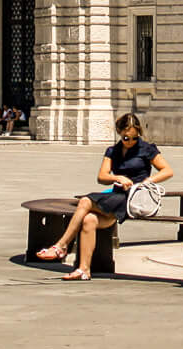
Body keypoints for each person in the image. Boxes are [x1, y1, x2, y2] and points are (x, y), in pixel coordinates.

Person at [34, 113, 173, 281]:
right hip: (116, 197)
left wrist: (146, 181)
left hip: (133, 198)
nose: (130, 142)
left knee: (85, 201)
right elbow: (102, 177)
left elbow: (167, 171)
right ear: (120, 132)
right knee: (89, 220)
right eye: (126, 137)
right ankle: (84, 270)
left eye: (134, 138)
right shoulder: (112, 151)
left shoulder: (147, 149)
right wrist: (117, 178)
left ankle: (61, 246)